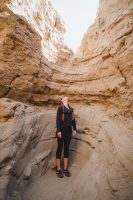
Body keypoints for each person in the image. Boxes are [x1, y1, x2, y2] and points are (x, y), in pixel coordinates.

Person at [55, 96, 77, 178]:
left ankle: (65, 169)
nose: (66, 98)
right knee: (60, 148)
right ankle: (58, 169)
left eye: (67, 98)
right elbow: (57, 120)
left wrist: (74, 129)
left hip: (68, 132)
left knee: (67, 149)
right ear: (61, 100)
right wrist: (59, 131)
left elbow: (73, 120)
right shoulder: (60, 108)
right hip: (61, 132)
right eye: (64, 98)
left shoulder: (71, 109)